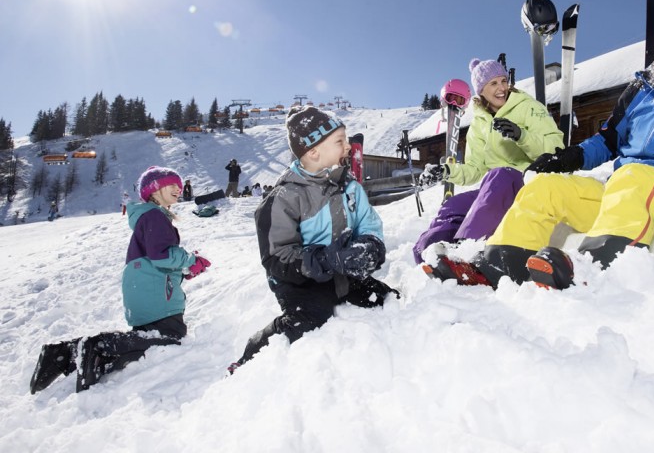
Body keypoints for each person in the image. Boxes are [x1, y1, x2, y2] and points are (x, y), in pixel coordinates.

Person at [429, 6, 654, 290]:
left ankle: (589, 269)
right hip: (621, 194)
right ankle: (498, 265)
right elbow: (609, 139)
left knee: (635, 176)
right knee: (547, 189)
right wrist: (573, 157)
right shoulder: (642, 92)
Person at [227, 106, 397, 374]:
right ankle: (251, 356)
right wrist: (323, 259)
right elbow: (276, 256)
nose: (348, 147)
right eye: (339, 141)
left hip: (342, 273)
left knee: (386, 299)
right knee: (309, 318)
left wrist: (369, 247)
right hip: (300, 281)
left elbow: (369, 223)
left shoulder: (350, 187)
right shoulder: (284, 198)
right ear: (314, 151)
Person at [29, 166, 211, 393]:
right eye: (171, 184)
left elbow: (153, 258)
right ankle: (100, 347)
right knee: (170, 338)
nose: (179, 188)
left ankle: (64, 353)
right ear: (154, 190)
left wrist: (184, 271)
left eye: (179, 184)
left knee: (148, 336)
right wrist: (190, 259)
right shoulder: (155, 216)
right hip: (154, 293)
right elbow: (161, 254)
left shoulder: (147, 217)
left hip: (144, 286)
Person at [412, 57, 564, 263]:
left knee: (500, 175)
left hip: (530, 184)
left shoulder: (528, 107)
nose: (502, 88)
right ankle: (429, 255)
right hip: (494, 189)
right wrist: (446, 171)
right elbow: (475, 169)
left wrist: (522, 136)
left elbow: (557, 148)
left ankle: (467, 252)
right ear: (481, 90)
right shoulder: (479, 123)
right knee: (455, 204)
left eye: (503, 81)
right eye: (493, 83)